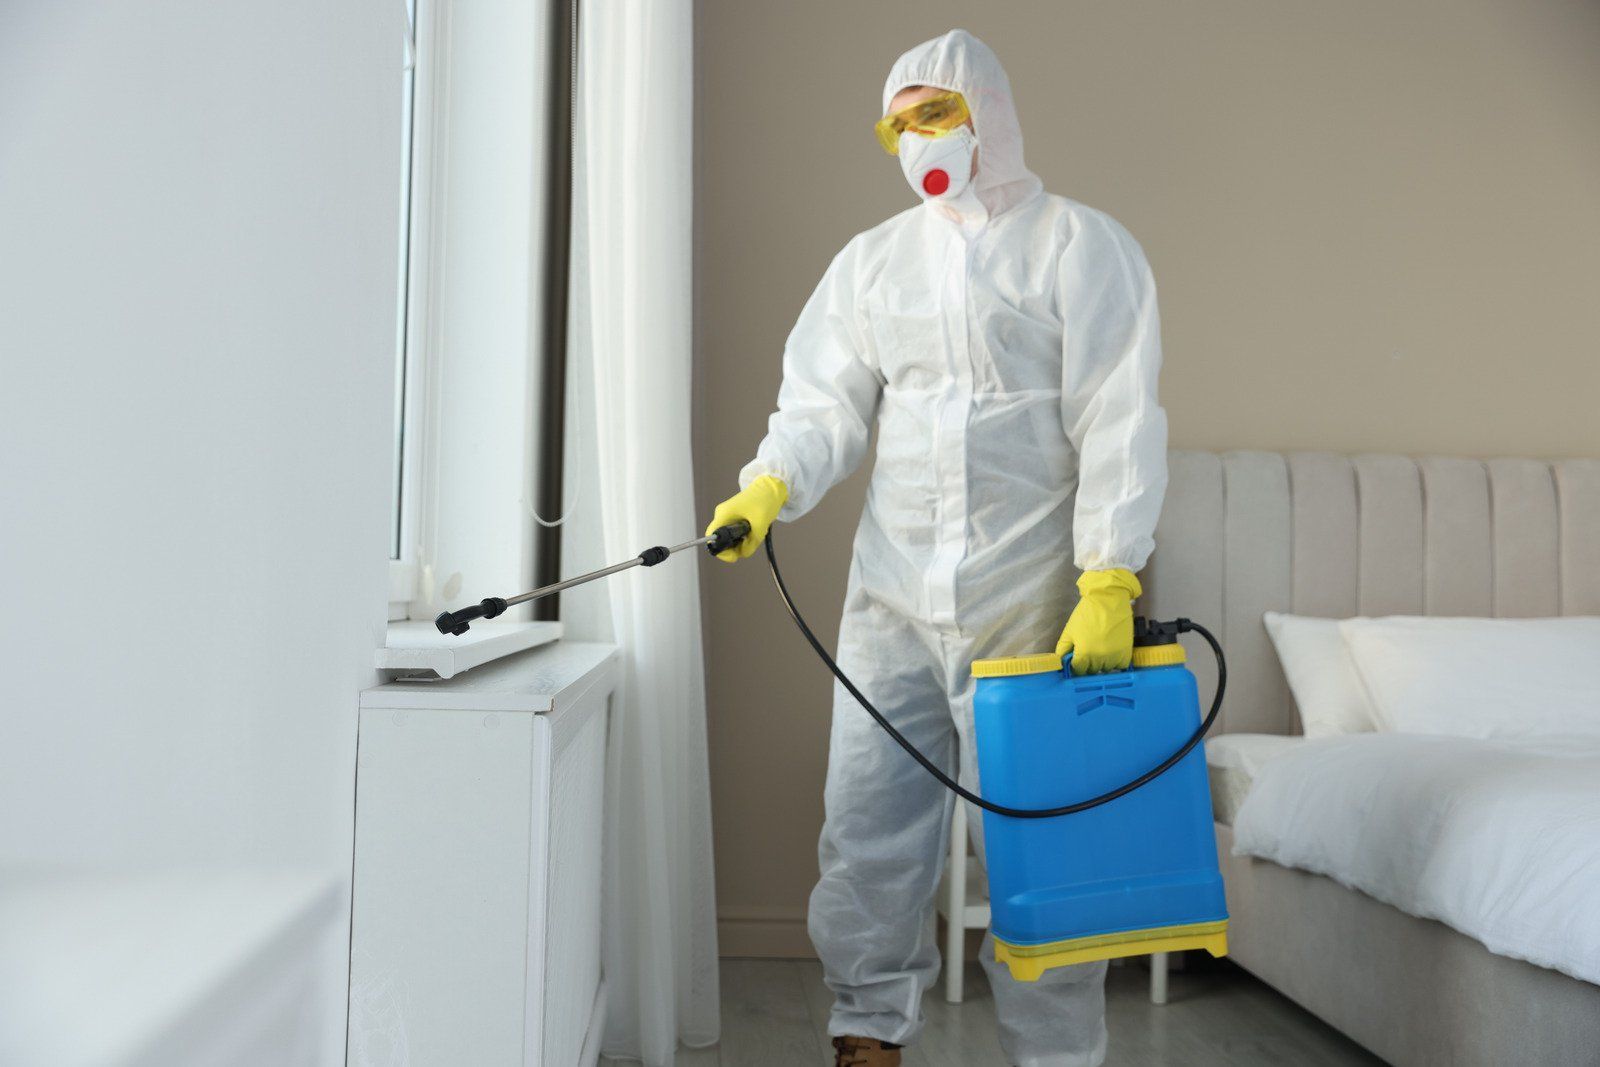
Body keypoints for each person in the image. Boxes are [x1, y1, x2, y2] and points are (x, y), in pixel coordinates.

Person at [706, 29, 1168, 1067]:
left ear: (985, 115)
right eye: (897, 122)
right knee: (867, 826)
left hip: (1035, 595)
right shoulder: (873, 262)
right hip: (892, 594)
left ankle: (1054, 1054)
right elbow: (823, 402)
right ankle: (865, 1031)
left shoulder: (1079, 246)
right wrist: (768, 484)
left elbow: (1119, 419)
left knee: (1041, 846)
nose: (913, 139)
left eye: (931, 114)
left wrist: (1109, 573)